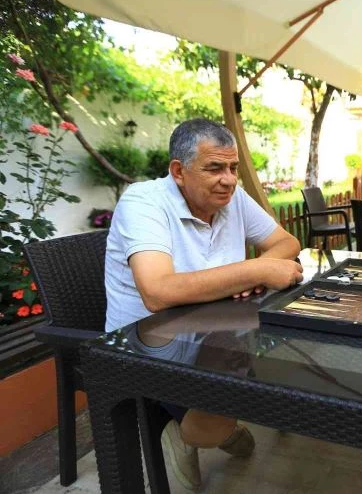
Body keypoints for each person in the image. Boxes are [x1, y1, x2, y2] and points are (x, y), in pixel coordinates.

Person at [105, 118, 304, 490]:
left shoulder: (232, 199)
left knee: (281, 353)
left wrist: (252, 272)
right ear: (179, 171)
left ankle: (205, 423)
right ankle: (197, 428)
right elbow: (158, 292)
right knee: (245, 369)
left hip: (215, 326)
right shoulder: (144, 201)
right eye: (214, 168)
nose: (228, 179)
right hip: (148, 341)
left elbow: (287, 243)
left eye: (233, 168)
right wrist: (254, 269)